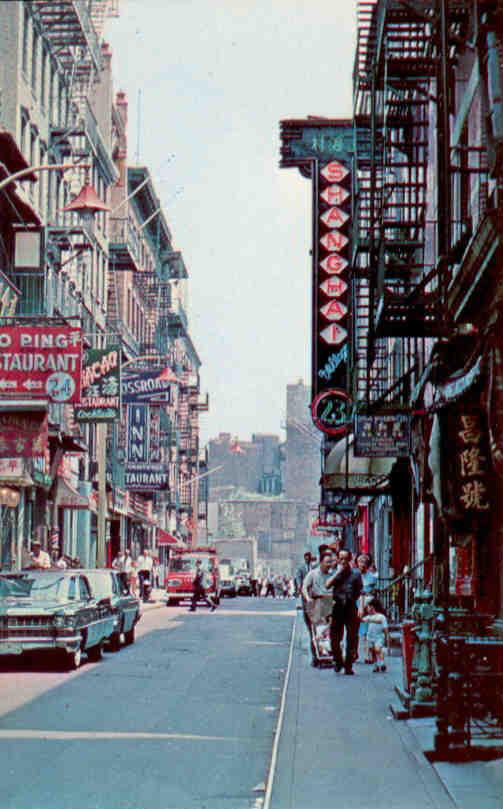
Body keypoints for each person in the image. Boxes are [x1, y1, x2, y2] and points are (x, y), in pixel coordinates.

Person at [326, 550, 363, 675]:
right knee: (334, 637)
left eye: (345, 559)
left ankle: (348, 665)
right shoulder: (334, 572)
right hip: (337, 607)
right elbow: (327, 585)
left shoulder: (356, 574)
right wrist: (337, 573)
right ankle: (338, 660)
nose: (343, 562)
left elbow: (359, 591)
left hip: (350, 606)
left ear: (349, 560)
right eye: (340, 559)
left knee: (351, 637)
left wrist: (356, 603)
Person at [302, 551, 334, 664]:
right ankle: (316, 657)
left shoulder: (332, 575)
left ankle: (328, 654)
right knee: (315, 632)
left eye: (330, 562)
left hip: (329, 603)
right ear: (321, 562)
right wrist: (308, 598)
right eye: (327, 562)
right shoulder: (313, 574)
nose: (329, 564)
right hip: (316, 604)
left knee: (328, 631)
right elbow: (304, 587)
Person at [356, 553, 378, 663]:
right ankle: (354, 653)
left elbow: (372, 592)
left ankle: (368, 655)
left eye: (364, 562)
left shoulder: (372, 578)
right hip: (355, 605)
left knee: (368, 631)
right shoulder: (354, 575)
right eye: (360, 562)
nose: (362, 564)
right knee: (357, 631)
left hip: (368, 606)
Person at [361, 597, 389, 672]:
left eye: (368, 607)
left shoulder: (381, 617)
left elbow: (385, 628)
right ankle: (376, 665)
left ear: (372, 607)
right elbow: (360, 620)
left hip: (379, 637)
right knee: (373, 651)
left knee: (377, 649)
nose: (367, 609)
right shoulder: (368, 617)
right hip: (370, 637)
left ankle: (382, 663)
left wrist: (387, 638)